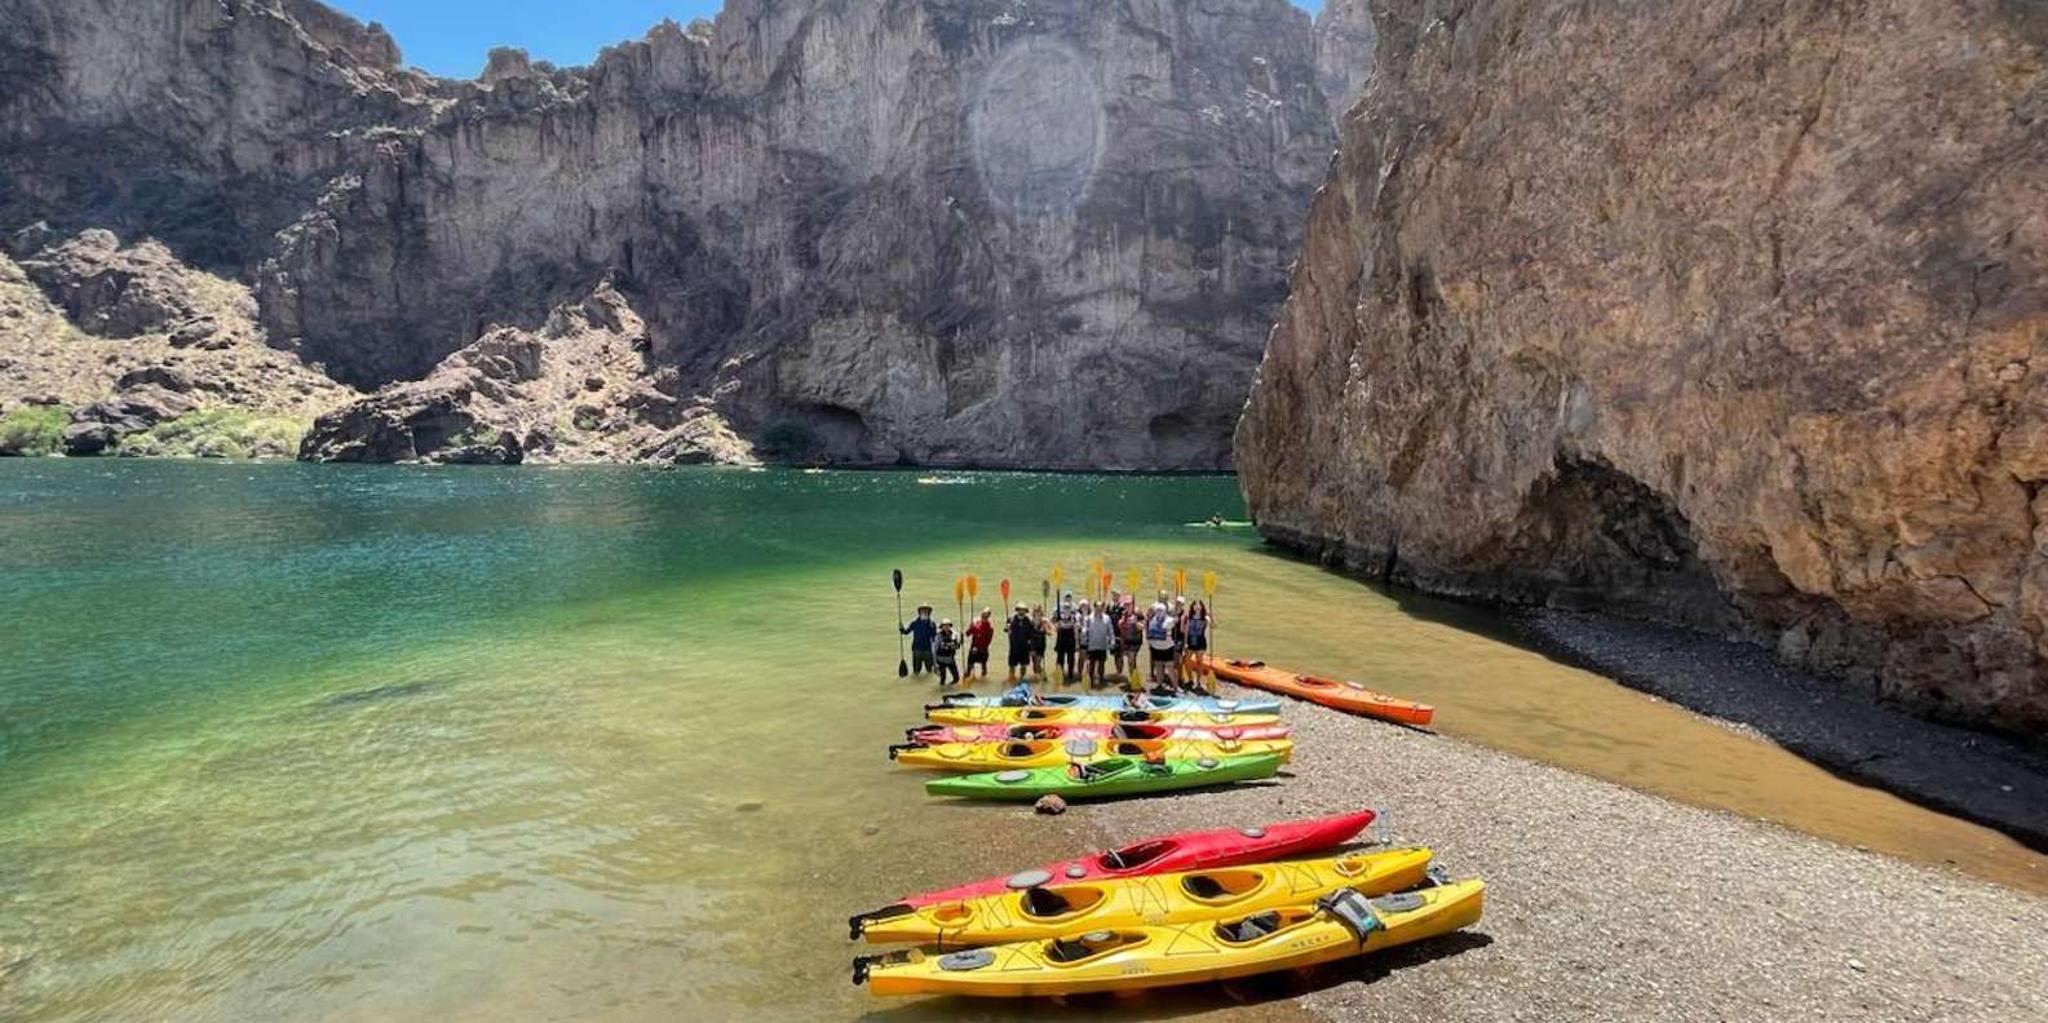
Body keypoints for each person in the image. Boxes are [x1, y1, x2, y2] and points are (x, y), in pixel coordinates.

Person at [1080, 600, 1114, 688]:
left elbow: (1110, 631)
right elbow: (1084, 630)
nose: (1099, 609)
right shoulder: (1088, 618)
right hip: (1092, 645)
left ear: (1103, 608)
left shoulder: (1107, 618)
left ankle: (1101, 680)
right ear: (1094, 607)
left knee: (1102, 664)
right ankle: (1091, 682)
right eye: (1097, 607)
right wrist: (1083, 639)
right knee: (1091, 664)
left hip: (1102, 645)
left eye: (1101, 607)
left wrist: (1112, 641)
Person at [1145, 602, 1177, 690]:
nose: (1159, 612)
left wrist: (1175, 618)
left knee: (1170, 667)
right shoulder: (1152, 619)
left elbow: (1171, 623)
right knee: (1158, 666)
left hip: (1167, 647)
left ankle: (1175, 687)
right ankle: (1160, 685)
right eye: (1157, 610)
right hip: (1156, 647)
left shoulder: (1169, 620)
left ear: (1165, 611)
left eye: (1161, 610)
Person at [901, 603, 937, 676]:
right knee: (916, 671)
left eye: (926, 611)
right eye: (922, 611)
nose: (924, 612)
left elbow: (934, 637)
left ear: (929, 613)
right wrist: (902, 629)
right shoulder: (915, 623)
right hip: (917, 649)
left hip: (928, 649)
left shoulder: (932, 623)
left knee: (929, 670)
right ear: (919, 612)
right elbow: (906, 632)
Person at [1183, 599, 1213, 686]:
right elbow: (1186, 631)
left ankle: (1199, 681)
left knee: (1199, 662)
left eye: (1199, 605)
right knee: (1186, 660)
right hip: (1190, 641)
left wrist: (1211, 617)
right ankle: (1190, 679)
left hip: (1200, 642)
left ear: (1202, 607)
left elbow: (1213, 626)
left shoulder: (1205, 618)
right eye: (1195, 605)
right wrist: (1185, 643)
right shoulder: (1189, 617)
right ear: (1192, 607)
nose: (1197, 607)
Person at [1116, 598, 1144, 685]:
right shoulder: (1124, 614)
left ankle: (1135, 681)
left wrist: (1135, 622)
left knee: (1132, 661)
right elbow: (1121, 626)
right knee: (1130, 661)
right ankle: (1133, 680)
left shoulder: (1138, 614)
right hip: (1126, 641)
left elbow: (1142, 627)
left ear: (1132, 604)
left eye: (1128, 604)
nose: (1126, 606)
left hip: (1135, 642)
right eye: (1125, 605)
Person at [1005, 604, 1034, 682]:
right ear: (1017, 610)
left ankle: (1022, 679)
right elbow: (1006, 629)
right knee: (1012, 665)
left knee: (1024, 665)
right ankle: (1011, 678)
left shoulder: (1029, 621)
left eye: (1023, 610)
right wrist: (1007, 628)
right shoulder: (1011, 619)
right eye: (1020, 609)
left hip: (1025, 647)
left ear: (1025, 611)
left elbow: (1031, 635)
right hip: (1014, 646)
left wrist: (1031, 648)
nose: (1022, 611)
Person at [1052, 595, 1079, 681]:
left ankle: (1070, 674)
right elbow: (1053, 621)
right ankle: (1059, 674)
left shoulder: (1074, 613)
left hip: (1070, 635)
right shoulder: (1058, 611)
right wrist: (1056, 623)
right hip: (1061, 635)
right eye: (1065, 607)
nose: (1066, 608)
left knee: (1071, 657)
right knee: (1060, 657)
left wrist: (1077, 642)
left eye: (1068, 607)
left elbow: (1077, 625)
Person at [965, 608, 995, 680]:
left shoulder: (990, 628)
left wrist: (979, 649)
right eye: (983, 614)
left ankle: (983, 679)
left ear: (988, 617)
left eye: (986, 615)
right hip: (973, 647)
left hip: (983, 649)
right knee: (969, 664)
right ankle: (968, 677)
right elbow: (968, 633)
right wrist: (970, 627)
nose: (984, 616)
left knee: (983, 665)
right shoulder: (975, 623)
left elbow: (988, 641)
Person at [932, 619, 961, 687]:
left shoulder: (954, 634)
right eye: (944, 626)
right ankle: (942, 691)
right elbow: (934, 651)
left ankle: (949, 687)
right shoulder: (938, 636)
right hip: (941, 660)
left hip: (950, 660)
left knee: (956, 678)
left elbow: (957, 647)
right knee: (943, 679)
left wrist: (960, 642)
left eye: (948, 625)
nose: (946, 627)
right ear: (941, 627)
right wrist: (935, 664)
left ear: (950, 626)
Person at [1030, 605, 1050, 679]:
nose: (1037, 615)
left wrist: (1045, 629)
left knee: (1038, 663)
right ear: (1034, 613)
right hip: (1032, 645)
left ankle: (1044, 677)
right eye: (1036, 613)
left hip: (1041, 645)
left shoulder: (1044, 622)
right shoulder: (1030, 621)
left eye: (1039, 613)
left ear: (1041, 613)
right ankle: (1038, 678)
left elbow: (1050, 632)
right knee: (1035, 666)